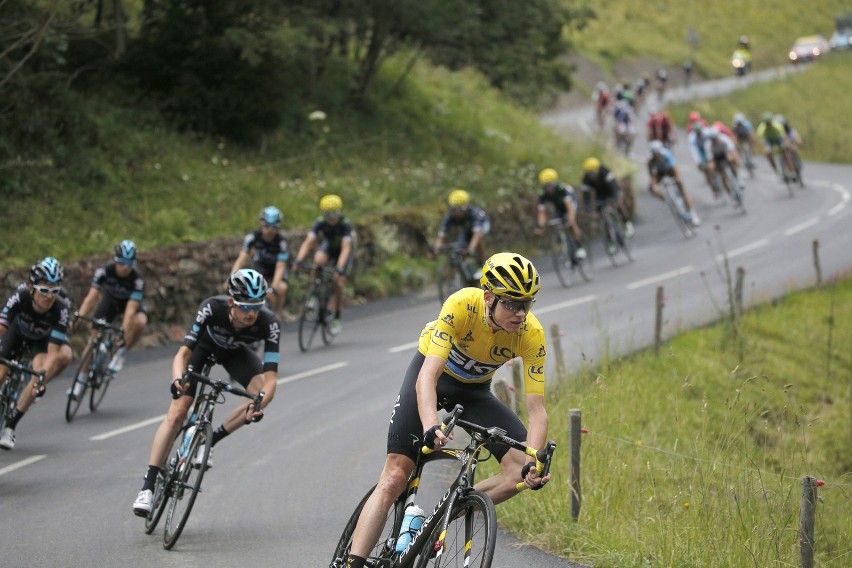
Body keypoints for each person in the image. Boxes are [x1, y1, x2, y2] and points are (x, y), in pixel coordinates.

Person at [339, 253, 551, 568]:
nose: (520, 313)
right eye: (512, 303)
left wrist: (534, 458)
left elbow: (537, 411)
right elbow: (427, 378)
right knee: (396, 475)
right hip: (433, 379)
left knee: (519, 470)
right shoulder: (461, 306)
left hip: (475, 391)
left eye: (526, 304)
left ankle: (441, 518)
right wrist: (431, 425)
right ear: (489, 297)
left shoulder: (531, 334)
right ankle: (352, 563)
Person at [132, 268, 279, 517]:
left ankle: (210, 440)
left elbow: (271, 378)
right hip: (203, 348)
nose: (251, 313)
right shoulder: (212, 308)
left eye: (256, 306)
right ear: (231, 302)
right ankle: (148, 485)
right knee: (178, 411)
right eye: (244, 307)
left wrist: (260, 402)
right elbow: (183, 353)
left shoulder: (269, 322)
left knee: (259, 396)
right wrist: (178, 380)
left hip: (235, 354)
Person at [0, 258, 72, 450]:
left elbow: (54, 352)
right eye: (44, 290)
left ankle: (10, 426)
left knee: (39, 373)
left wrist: (41, 379)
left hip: (41, 342)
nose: (49, 297)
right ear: (32, 288)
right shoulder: (21, 295)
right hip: (16, 333)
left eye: (54, 291)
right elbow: (2, 326)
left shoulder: (62, 307)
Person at [71, 240, 148, 397]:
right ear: (115, 259)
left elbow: (130, 310)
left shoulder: (137, 279)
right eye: (121, 262)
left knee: (140, 321)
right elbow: (91, 298)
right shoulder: (105, 271)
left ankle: (120, 354)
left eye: (129, 263)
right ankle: (80, 380)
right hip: (110, 303)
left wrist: (124, 333)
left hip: (129, 305)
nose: (125, 267)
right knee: (92, 342)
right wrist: (80, 316)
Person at [293, 194, 354, 336]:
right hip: (329, 247)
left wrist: (339, 269)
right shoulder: (320, 222)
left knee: (339, 282)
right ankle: (314, 292)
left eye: (334, 213)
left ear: (339, 212)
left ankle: (336, 317)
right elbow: (308, 242)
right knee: (317, 261)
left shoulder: (345, 224)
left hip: (344, 251)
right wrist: (298, 260)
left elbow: (345, 248)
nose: (331, 217)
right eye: (327, 213)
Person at [226, 206, 290, 313]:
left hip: (276, 269)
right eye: (267, 227)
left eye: (274, 228)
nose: (270, 231)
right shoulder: (252, 237)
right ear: (261, 224)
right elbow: (242, 258)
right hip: (260, 267)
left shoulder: (281, 242)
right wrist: (231, 277)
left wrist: (273, 287)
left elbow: (280, 266)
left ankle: (276, 313)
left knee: (281, 288)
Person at [430, 189, 490, 277]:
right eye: (455, 209)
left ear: (467, 206)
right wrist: (436, 251)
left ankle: (482, 265)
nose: (458, 212)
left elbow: (476, 235)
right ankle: (467, 271)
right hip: (467, 228)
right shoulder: (449, 216)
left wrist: (471, 250)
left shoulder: (475, 214)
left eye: (461, 209)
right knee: (459, 247)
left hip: (483, 225)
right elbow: (441, 236)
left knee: (477, 241)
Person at [535, 168, 586, 261]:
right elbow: (541, 212)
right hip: (559, 207)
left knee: (572, 223)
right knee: (558, 223)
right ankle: (566, 247)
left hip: (570, 203)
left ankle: (580, 247)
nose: (549, 188)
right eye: (546, 186)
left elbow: (569, 207)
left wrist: (570, 218)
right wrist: (541, 226)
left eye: (550, 185)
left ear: (555, 182)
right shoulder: (542, 193)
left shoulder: (562, 189)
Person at [647, 140, 701, 226]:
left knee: (682, 188)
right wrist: (654, 187)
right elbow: (652, 176)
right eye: (655, 154)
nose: (657, 156)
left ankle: (692, 213)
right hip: (660, 174)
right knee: (650, 188)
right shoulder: (650, 161)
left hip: (670, 171)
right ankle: (666, 199)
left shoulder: (666, 154)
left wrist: (678, 178)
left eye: (658, 154)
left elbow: (674, 168)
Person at [580, 157, 635, 238]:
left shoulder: (604, 171)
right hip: (600, 194)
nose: (592, 175)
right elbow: (586, 195)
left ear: (597, 169)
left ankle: (627, 223)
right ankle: (609, 237)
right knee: (601, 215)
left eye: (593, 172)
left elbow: (614, 186)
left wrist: (615, 198)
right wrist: (587, 206)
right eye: (589, 173)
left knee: (619, 204)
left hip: (611, 190)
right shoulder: (586, 179)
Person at [702, 126, 743, 196]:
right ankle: (728, 191)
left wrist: (733, 159)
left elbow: (732, 150)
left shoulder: (724, 138)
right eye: (712, 139)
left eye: (715, 138)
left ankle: (737, 177)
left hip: (724, 154)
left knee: (733, 160)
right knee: (717, 172)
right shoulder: (707, 144)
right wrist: (712, 167)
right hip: (716, 159)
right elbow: (710, 159)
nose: (714, 140)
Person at [755, 111, 797, 179]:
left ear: (772, 121)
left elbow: (784, 136)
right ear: (764, 123)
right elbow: (762, 143)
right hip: (768, 140)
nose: (768, 125)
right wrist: (765, 150)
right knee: (768, 154)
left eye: (769, 123)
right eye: (766, 124)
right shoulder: (761, 129)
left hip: (778, 137)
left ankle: (792, 170)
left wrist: (787, 144)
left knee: (785, 151)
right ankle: (775, 169)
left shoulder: (777, 125)